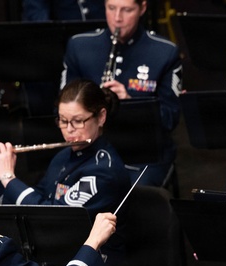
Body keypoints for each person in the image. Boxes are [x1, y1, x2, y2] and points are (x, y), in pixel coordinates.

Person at [0, 78, 130, 266]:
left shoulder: (104, 171)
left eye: (78, 121)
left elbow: (53, 219)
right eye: (63, 121)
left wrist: (8, 177)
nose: (69, 130)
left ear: (101, 117)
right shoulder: (62, 157)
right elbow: (29, 211)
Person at [61, 0, 182, 186]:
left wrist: (131, 103)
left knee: (133, 199)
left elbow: (169, 119)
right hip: (89, 149)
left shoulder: (165, 52)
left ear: (142, 8)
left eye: (127, 10)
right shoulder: (79, 46)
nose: (117, 18)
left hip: (143, 154)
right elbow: (62, 106)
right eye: (111, 8)